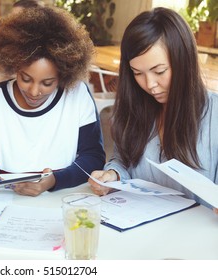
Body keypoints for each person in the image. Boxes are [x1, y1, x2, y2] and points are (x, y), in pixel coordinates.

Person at [0, 6, 106, 196]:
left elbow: (94, 157)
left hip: (63, 196)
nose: (34, 91)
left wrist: (54, 180)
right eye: (25, 78)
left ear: (64, 74)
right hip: (7, 198)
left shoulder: (77, 94)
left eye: (47, 83)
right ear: (14, 65)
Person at [89, 7, 218, 210]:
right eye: (137, 73)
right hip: (140, 228)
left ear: (184, 62)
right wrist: (112, 174)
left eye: (159, 71)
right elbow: (122, 160)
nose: (150, 85)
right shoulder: (136, 106)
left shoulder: (214, 116)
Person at [0, 0, 44, 87]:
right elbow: (6, 66)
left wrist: (0, 79)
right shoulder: (15, 40)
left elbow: (37, 79)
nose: (12, 21)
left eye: (18, 17)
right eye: (12, 17)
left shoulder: (40, 45)